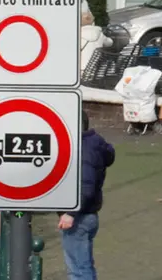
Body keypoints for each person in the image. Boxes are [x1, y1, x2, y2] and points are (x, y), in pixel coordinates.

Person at [59, 110, 115, 280]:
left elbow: (86, 186)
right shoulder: (95, 145)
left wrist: (70, 213)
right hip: (88, 215)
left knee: (78, 269)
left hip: (79, 217)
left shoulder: (83, 150)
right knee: (82, 265)